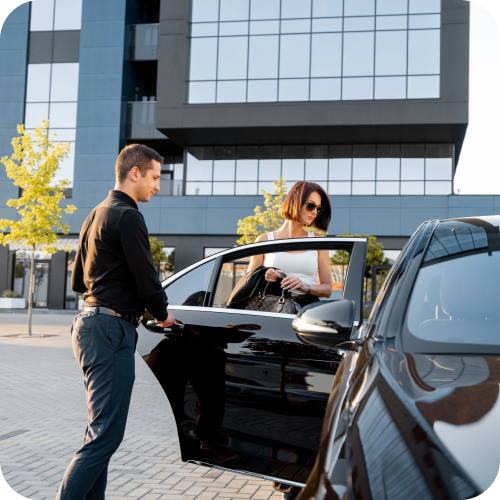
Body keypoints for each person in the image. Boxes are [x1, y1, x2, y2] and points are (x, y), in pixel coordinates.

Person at [55, 144, 175, 500]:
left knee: (101, 433)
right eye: (154, 178)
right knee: (105, 436)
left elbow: (79, 281)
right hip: (110, 330)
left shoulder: (95, 214)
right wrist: (163, 312)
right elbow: (147, 280)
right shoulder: (128, 215)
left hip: (89, 325)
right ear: (134, 173)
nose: (157, 186)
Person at [248, 181, 333, 311]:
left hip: (307, 310)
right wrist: (265, 277)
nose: (315, 212)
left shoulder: (318, 242)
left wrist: (305, 287)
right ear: (295, 202)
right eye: (310, 206)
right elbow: (248, 284)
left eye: (319, 208)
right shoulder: (264, 240)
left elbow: (327, 290)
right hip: (272, 307)